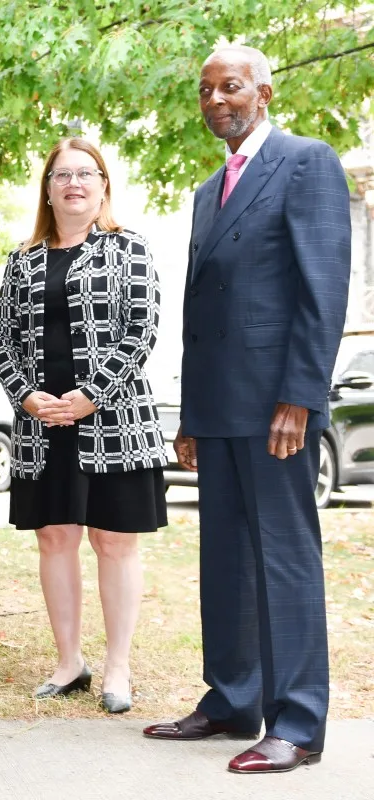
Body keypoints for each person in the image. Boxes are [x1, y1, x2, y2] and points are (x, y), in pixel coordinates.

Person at [143, 46, 351, 775]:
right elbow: (205, 308)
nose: (214, 101)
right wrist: (191, 414)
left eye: (228, 87)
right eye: (203, 90)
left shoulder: (307, 162)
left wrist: (300, 396)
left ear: (263, 90)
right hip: (219, 405)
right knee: (225, 557)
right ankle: (233, 699)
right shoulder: (208, 190)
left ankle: (296, 723)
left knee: (285, 560)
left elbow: (321, 289)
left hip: (275, 408)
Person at [0, 137, 166, 716]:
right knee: (56, 538)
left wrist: (91, 395)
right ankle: (70, 662)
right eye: (62, 175)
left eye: (87, 174)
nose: (75, 184)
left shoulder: (128, 249)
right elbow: (1, 337)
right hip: (44, 427)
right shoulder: (23, 259)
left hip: (114, 422)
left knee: (114, 541)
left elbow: (141, 331)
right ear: (47, 188)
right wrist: (25, 395)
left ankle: (118, 666)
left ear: (103, 186)